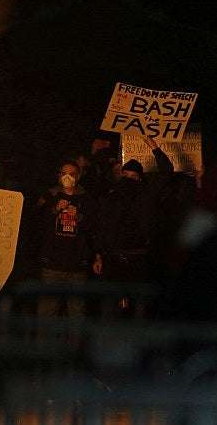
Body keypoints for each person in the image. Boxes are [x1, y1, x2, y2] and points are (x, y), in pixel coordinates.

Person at [93, 135, 173, 317]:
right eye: (126, 175)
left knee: (124, 302)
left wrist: (99, 255)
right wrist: (154, 147)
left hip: (130, 256)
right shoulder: (118, 196)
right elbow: (102, 224)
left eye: (131, 176)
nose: (128, 180)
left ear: (137, 178)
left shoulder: (131, 195)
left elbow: (102, 225)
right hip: (124, 256)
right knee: (129, 302)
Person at [34, 160, 97, 319]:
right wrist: (55, 209)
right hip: (52, 265)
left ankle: (73, 344)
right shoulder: (49, 195)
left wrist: (79, 216)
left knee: (76, 314)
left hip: (77, 266)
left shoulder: (87, 198)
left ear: (79, 176)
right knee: (47, 313)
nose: (67, 177)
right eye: (64, 173)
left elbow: (94, 228)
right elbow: (36, 222)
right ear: (59, 175)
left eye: (72, 174)